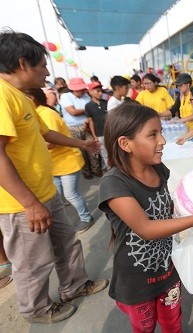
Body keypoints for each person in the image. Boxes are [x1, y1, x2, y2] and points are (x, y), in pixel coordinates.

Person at [0, 29, 108, 324]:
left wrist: (83, 144)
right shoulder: (1, 96)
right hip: (20, 203)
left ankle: (73, 286)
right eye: (43, 65)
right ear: (24, 63)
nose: (47, 71)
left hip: (45, 191)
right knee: (32, 262)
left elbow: (46, 133)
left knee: (66, 242)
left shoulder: (21, 98)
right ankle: (36, 309)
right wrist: (30, 204)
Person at [98, 103, 193, 332]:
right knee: (144, 328)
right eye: (153, 134)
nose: (162, 141)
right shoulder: (114, 184)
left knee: (173, 324)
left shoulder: (158, 169)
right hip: (136, 281)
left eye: (160, 132)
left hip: (168, 270)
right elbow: (146, 228)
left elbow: (168, 209)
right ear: (125, 143)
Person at [29, 88, 96, 234]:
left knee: (71, 194)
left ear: (32, 98)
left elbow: (50, 142)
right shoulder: (37, 113)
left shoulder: (46, 114)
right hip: (54, 165)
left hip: (67, 162)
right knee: (57, 196)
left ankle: (86, 218)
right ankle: (62, 223)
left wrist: (29, 152)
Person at [60, 77, 102, 178]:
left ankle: (96, 169)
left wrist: (88, 110)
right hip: (73, 127)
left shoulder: (86, 97)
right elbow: (72, 112)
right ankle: (86, 171)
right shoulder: (66, 96)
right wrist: (88, 109)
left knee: (93, 148)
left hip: (87, 126)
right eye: (80, 89)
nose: (82, 91)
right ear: (74, 89)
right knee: (81, 151)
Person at [85, 82, 110, 173]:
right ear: (90, 92)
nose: (100, 93)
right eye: (97, 91)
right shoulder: (88, 106)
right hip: (99, 134)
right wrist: (94, 136)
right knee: (104, 154)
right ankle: (108, 172)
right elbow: (91, 122)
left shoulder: (106, 103)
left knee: (111, 152)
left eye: (101, 91)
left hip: (109, 132)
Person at [172, 73, 193, 140]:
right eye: (178, 86)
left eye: (181, 85)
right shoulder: (182, 97)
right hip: (187, 133)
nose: (179, 88)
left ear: (188, 85)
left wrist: (180, 120)